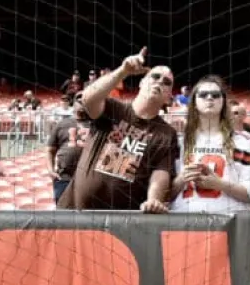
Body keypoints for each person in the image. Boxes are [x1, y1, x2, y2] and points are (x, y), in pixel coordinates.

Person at [57, 48, 178, 213]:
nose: (159, 82)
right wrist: (123, 70)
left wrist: (153, 200)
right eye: (154, 76)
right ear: (142, 82)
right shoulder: (114, 108)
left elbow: (161, 174)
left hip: (121, 225)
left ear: (169, 97)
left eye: (167, 82)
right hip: (74, 213)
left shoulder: (167, 133)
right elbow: (87, 98)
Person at [170, 75, 250, 213]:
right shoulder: (178, 144)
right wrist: (182, 178)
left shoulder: (245, 145)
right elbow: (163, 195)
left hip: (229, 226)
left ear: (223, 102)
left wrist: (219, 184)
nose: (209, 98)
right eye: (203, 94)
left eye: (215, 95)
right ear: (194, 102)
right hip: (185, 224)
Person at [47, 96, 89, 204]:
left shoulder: (98, 125)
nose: (82, 103)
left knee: (88, 215)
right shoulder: (62, 124)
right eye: (79, 100)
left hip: (89, 179)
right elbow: (50, 150)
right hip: (64, 177)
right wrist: (51, 170)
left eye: (85, 100)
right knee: (63, 213)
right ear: (74, 105)